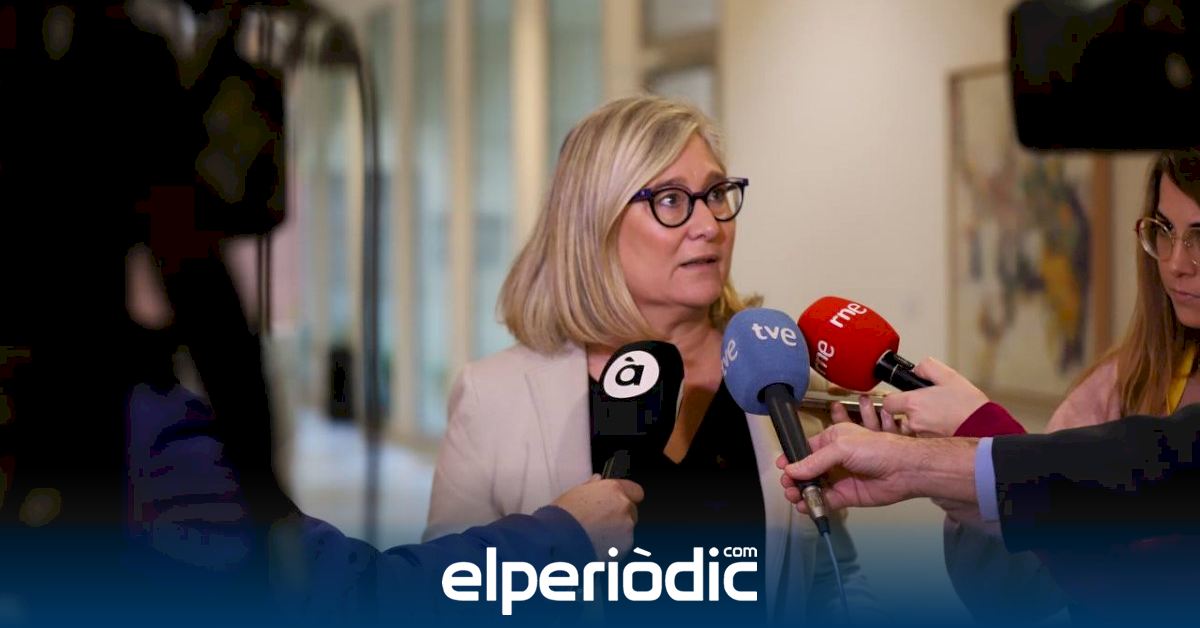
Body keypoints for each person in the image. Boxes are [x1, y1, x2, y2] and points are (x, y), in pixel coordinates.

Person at [423, 95, 876, 624]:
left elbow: (832, 577)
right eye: (670, 199)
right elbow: (446, 599)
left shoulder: (776, 374)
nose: (709, 225)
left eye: (716, 193)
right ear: (595, 221)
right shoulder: (493, 396)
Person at [830, 149, 1200, 623]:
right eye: (1164, 231)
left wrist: (975, 440)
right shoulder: (1122, 381)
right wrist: (951, 474)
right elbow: (1020, 588)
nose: (1176, 263)